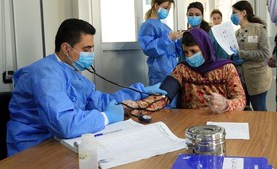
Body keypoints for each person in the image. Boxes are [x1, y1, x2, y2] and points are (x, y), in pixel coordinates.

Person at [7, 18, 167, 156]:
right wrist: (106, 117)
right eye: (86, 49)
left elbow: (100, 101)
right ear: (66, 48)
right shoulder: (45, 73)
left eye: (92, 48)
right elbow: (64, 123)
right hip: (33, 148)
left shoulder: (71, 72)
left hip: (59, 141)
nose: (91, 53)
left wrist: (141, 91)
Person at [126, 28, 246, 114]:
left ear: (205, 48)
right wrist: (138, 105)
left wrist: (225, 104)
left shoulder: (226, 69)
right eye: (186, 52)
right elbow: (164, 95)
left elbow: (241, 99)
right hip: (189, 122)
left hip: (221, 119)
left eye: (194, 51)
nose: (189, 57)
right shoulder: (183, 69)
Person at [230, 0, 272, 111]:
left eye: (234, 12)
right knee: (244, 111)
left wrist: (241, 54)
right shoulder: (237, 33)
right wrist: (233, 58)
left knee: (260, 110)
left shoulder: (259, 29)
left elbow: (265, 53)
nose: (232, 16)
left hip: (257, 79)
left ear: (243, 13)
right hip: (241, 79)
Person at [138, 0, 183, 86]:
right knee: (161, 98)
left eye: (169, 9)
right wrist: (168, 38)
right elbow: (148, 49)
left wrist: (180, 39)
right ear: (156, 5)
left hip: (172, 70)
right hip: (159, 73)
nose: (167, 11)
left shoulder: (164, 27)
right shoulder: (148, 25)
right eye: (165, 8)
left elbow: (174, 52)